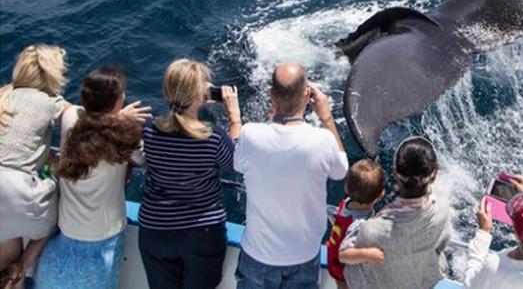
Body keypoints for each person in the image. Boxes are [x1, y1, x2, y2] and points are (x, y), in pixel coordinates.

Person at [234, 63, 348, 289]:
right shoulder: (322, 141)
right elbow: (341, 170)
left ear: (271, 95)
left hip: (257, 256)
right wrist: (326, 119)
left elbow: (238, 165)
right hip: (304, 256)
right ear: (307, 95)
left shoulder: (250, 134)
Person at [34, 67, 150, 289]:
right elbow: (142, 160)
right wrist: (121, 121)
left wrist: (115, 117)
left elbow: (76, 113)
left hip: (67, 232)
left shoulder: (71, 119)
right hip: (105, 237)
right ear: (117, 100)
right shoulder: (124, 135)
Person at [138, 59, 241, 289]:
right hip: (201, 234)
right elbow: (237, 161)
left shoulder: (149, 130)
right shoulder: (211, 137)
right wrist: (234, 118)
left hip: (155, 230)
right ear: (199, 96)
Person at [0, 44, 71, 289]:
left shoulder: (3, 95)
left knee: (6, 235)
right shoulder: (51, 102)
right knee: (49, 226)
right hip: (20, 193)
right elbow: (79, 120)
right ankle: (21, 267)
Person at [344, 136, 451, 289]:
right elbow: (442, 243)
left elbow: (353, 276)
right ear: (434, 175)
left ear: (394, 173)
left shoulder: (371, 230)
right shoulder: (442, 208)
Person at [327, 159, 387, 289]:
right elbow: (344, 254)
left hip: (332, 256)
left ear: (346, 188)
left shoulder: (347, 202)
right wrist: (368, 254)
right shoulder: (359, 223)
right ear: (381, 194)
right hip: (342, 269)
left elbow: (340, 218)